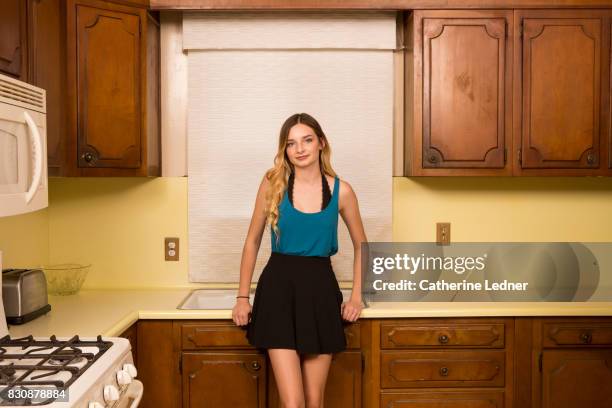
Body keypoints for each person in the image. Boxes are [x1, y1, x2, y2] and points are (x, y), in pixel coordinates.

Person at [232, 112, 367, 408]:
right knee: (293, 403)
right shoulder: (272, 184)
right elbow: (252, 241)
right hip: (277, 293)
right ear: (285, 150)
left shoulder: (341, 191)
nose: (300, 149)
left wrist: (357, 297)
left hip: (320, 295)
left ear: (321, 143)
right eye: (291, 143)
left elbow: (362, 246)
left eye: (307, 140)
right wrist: (243, 297)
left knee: (314, 401)